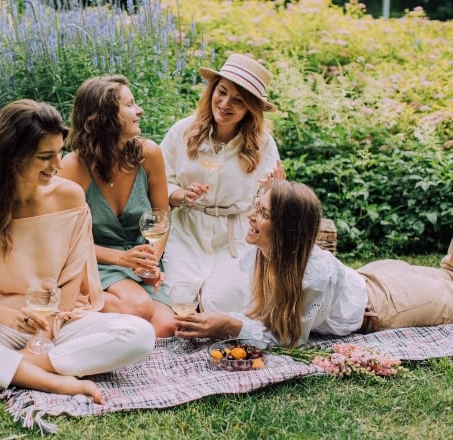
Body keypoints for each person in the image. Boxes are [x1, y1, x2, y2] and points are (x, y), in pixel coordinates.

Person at [0, 99, 156, 402]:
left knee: (140, 335)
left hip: (62, 323)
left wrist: (43, 334)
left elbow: (70, 282)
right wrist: (14, 320)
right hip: (0, 324)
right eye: (45, 156)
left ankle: (6, 368)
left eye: (59, 152)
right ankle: (58, 381)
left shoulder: (70, 197)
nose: (58, 165)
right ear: (15, 157)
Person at [174, 179, 453, 347]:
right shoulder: (261, 249)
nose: (251, 216)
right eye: (256, 206)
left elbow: (291, 338)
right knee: (447, 271)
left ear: (286, 230)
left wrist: (230, 326)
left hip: (386, 306)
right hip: (368, 276)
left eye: (262, 213)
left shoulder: (313, 276)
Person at [160, 53, 281, 314]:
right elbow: (159, 181)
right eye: (222, 92)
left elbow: (270, 201)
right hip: (187, 231)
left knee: (224, 306)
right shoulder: (182, 131)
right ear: (212, 90)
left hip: (234, 239)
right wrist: (181, 195)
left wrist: (274, 190)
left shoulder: (263, 145)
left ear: (251, 108)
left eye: (238, 100)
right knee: (175, 300)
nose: (225, 104)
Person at [58, 75, 176, 337]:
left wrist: (150, 261)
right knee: (138, 309)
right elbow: (61, 240)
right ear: (104, 118)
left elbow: (162, 217)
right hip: (94, 258)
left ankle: (95, 324)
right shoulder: (73, 167)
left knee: (166, 327)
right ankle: (68, 302)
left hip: (139, 258)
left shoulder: (149, 154)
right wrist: (120, 258)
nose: (140, 110)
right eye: (130, 105)